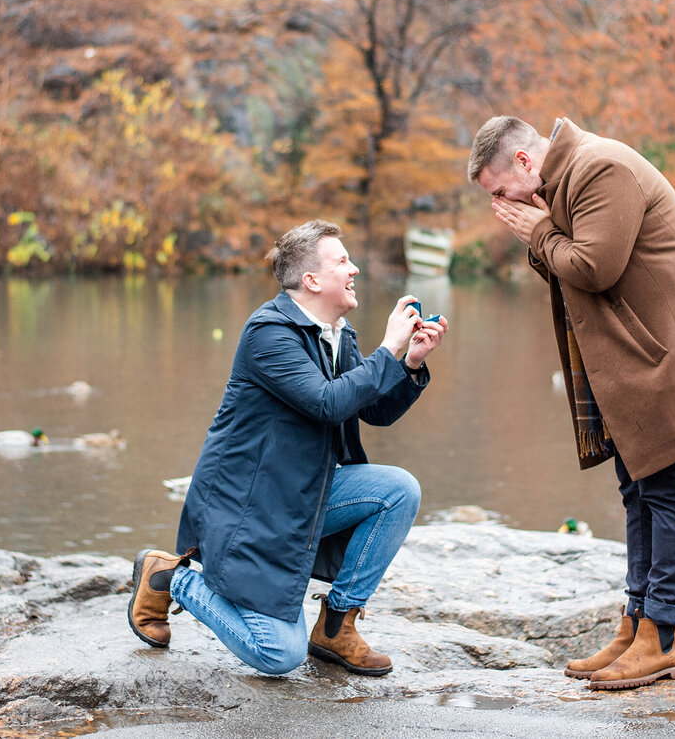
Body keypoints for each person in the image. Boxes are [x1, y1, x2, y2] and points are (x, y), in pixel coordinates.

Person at [468, 116, 675, 691]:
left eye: (499, 190)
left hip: (672, 358)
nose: (500, 205)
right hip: (642, 360)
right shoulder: (567, 180)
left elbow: (592, 267)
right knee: (638, 489)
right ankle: (637, 624)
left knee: (670, 492)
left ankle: (663, 635)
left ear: (526, 164)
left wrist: (538, 231)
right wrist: (542, 232)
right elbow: (571, 269)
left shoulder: (600, 168)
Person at [127, 220, 447, 677]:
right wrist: (388, 348)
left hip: (304, 491)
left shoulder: (338, 332)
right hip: (252, 508)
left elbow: (371, 410)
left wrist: (410, 361)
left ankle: (336, 626)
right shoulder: (269, 334)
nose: (354, 269)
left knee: (398, 489)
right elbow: (327, 403)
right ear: (312, 280)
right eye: (342, 261)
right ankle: (171, 578)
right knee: (278, 655)